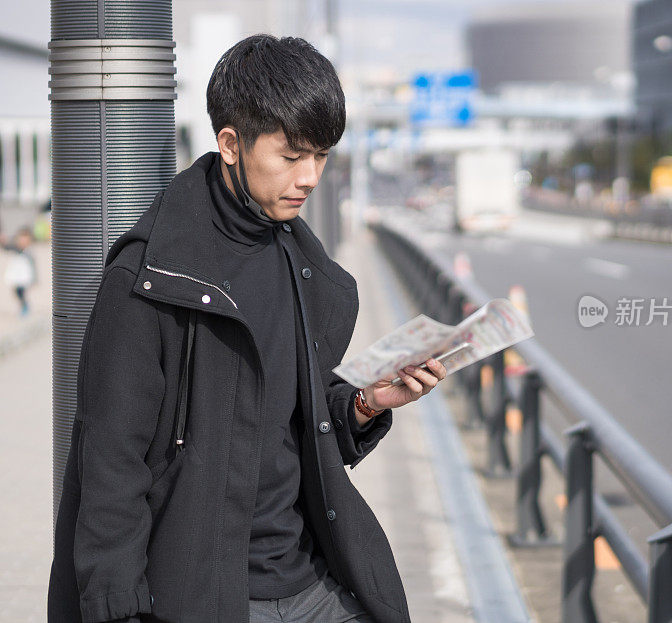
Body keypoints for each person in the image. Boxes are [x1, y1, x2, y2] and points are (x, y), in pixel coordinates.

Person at [47, 34, 446, 623]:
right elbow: (111, 472)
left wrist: (363, 403)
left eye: (322, 156)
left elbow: (287, 431)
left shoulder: (301, 263)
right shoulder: (148, 279)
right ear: (231, 144)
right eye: (292, 156)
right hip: (206, 595)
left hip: (315, 583)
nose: (310, 177)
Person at [1, 227, 37, 317]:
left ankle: (25, 306)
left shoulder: (29, 252)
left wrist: (35, 278)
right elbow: (6, 247)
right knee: (16, 290)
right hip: (16, 274)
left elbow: (33, 266)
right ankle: (23, 305)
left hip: (24, 275)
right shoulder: (16, 248)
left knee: (21, 291)